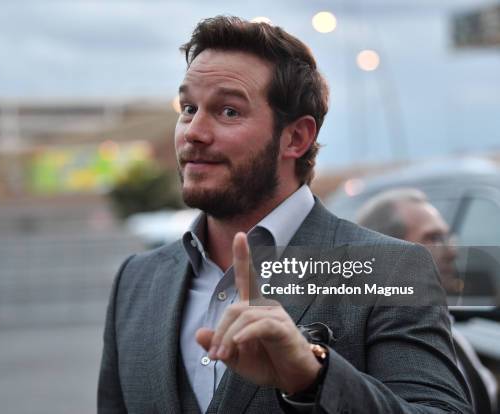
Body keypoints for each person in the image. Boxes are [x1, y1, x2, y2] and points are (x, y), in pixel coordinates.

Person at [98, 16, 472, 413]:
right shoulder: (137, 280)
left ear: (296, 137)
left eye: (228, 111)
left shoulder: (390, 270)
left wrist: (313, 376)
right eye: (188, 108)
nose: (193, 131)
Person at [357, 188, 498, 414]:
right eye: (434, 238)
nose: (452, 251)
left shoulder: (452, 334)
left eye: (447, 237)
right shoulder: (366, 346)